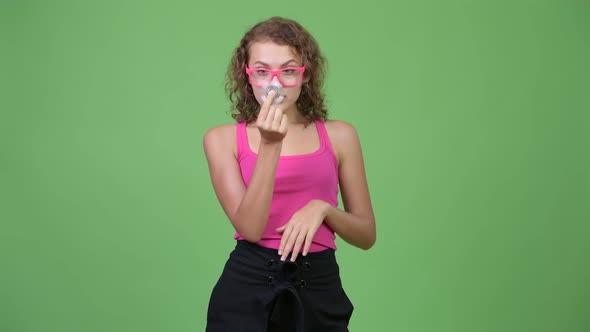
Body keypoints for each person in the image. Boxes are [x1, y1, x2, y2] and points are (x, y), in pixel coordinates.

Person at [203, 16, 376, 332]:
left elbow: (366, 235)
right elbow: (251, 228)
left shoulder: (340, 136)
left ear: (304, 75)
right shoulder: (221, 139)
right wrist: (271, 145)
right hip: (248, 284)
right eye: (262, 71)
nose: (275, 83)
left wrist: (322, 209)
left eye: (288, 70)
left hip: (319, 284)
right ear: (247, 76)